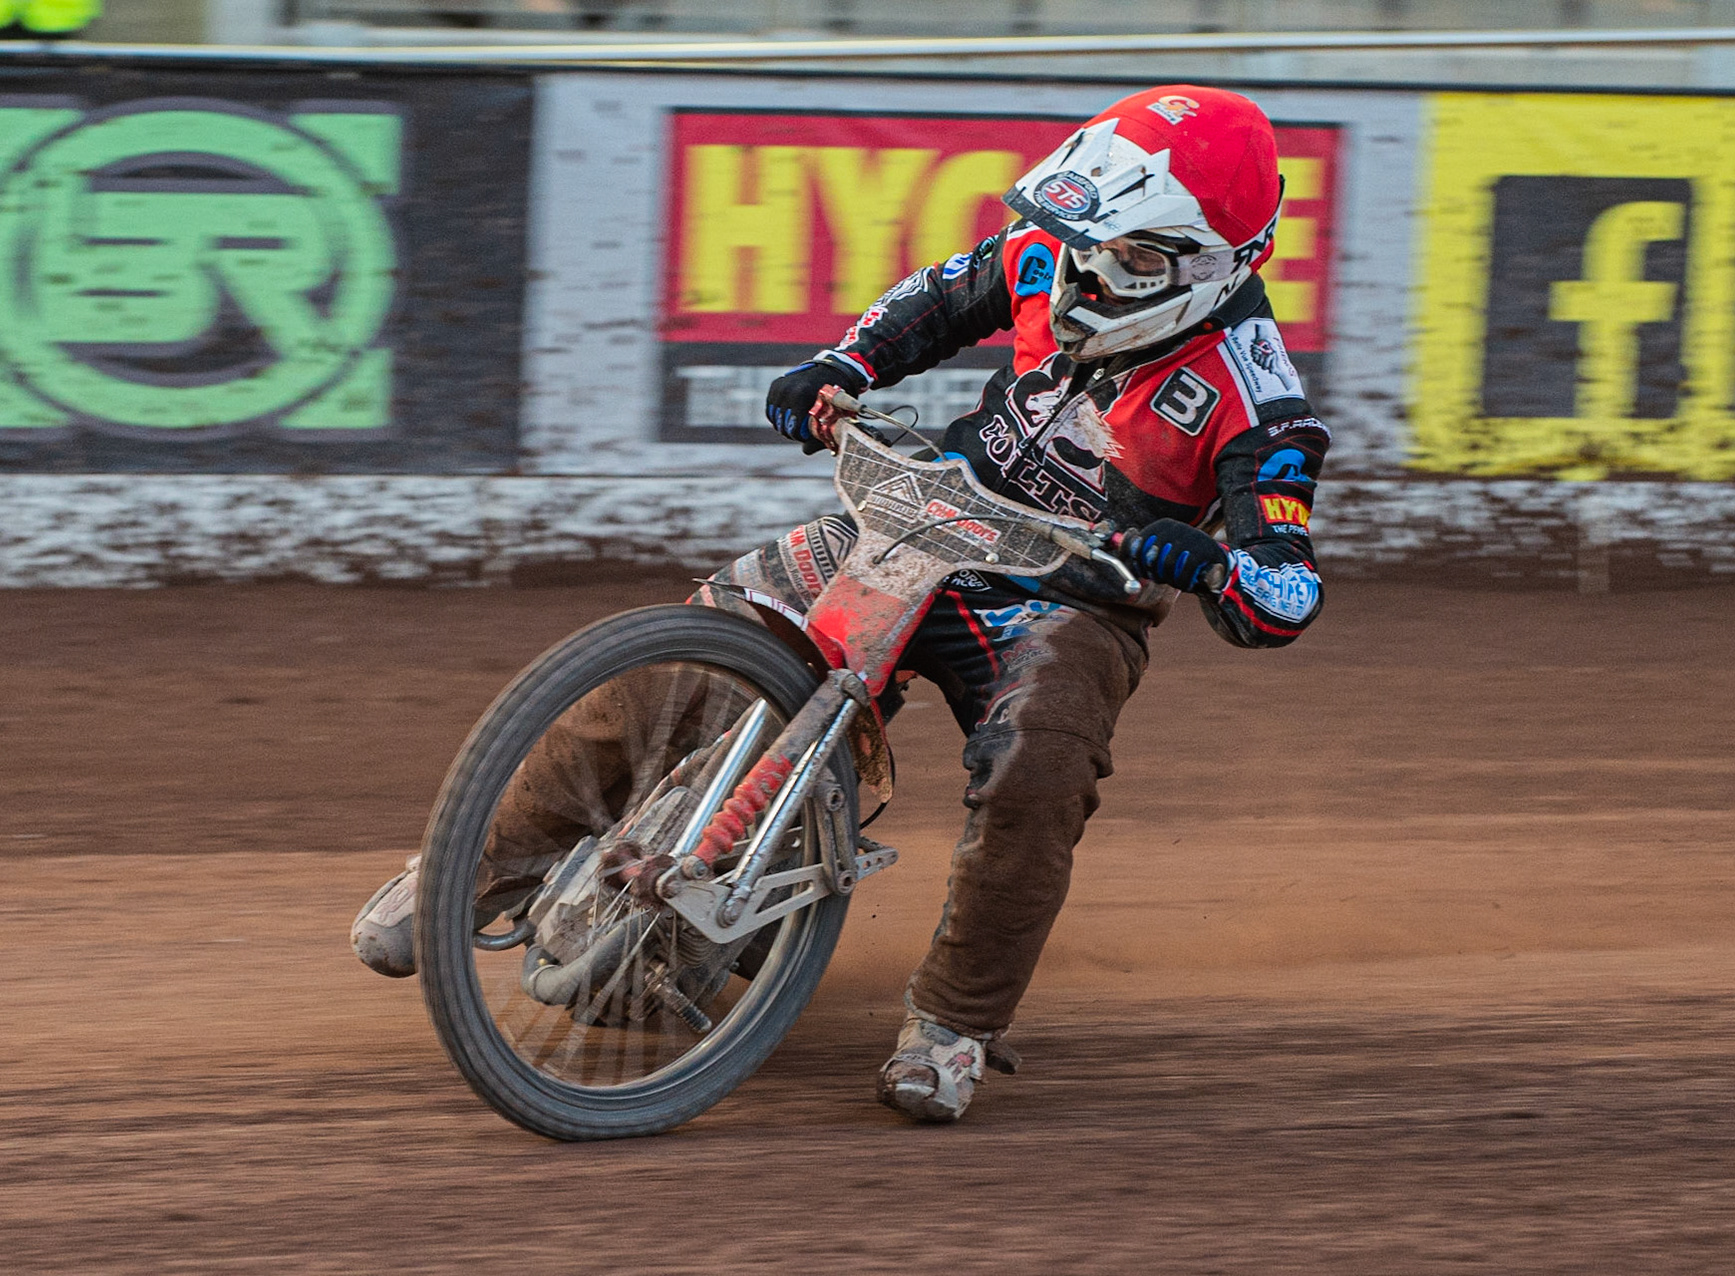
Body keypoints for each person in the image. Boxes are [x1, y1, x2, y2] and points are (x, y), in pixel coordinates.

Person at [352, 85, 1329, 1124]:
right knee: (702, 649)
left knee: (1039, 768)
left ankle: (953, 1023)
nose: (1084, 270)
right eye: (1083, 240)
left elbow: (1285, 592)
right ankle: (469, 869)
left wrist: (1208, 564)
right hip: (930, 508)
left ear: (1214, 263)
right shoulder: (1055, 254)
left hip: (1067, 592)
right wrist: (845, 360)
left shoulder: (1257, 403)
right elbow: (941, 299)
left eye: (1128, 259)